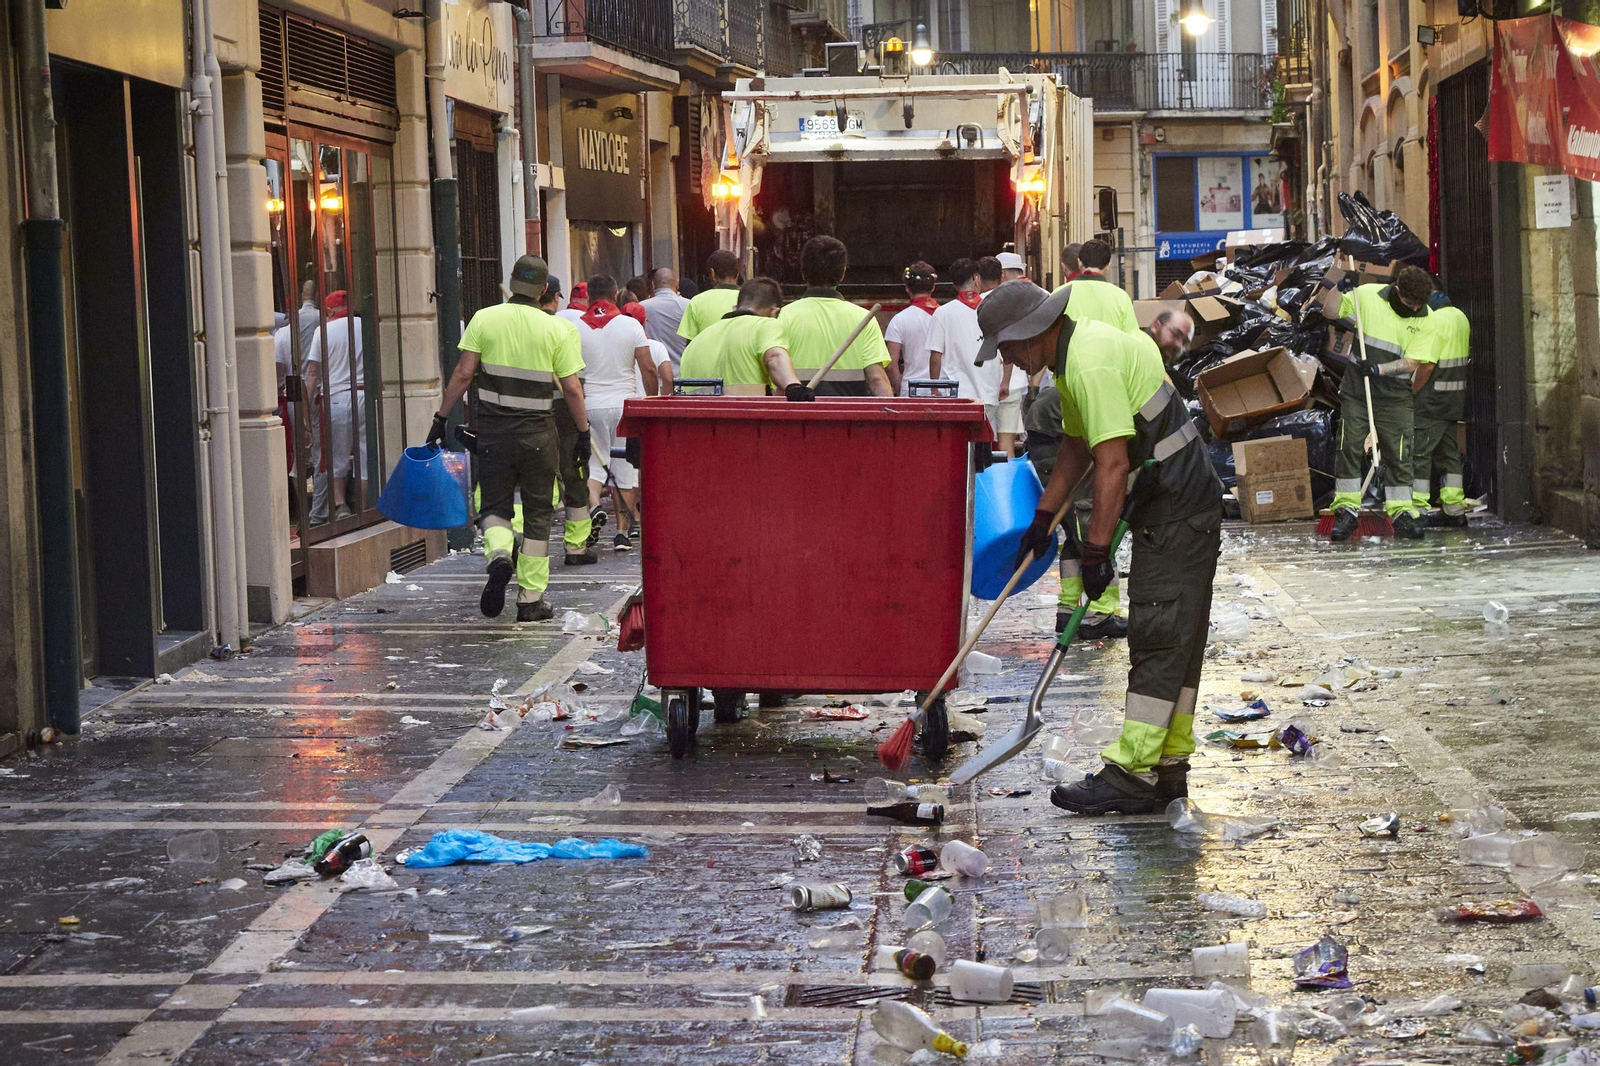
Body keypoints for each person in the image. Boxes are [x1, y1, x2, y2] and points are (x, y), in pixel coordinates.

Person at [979, 280, 1222, 815]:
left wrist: (1094, 552)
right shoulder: (1071, 360)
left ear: (1033, 331)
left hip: (1179, 508)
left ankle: (1132, 773)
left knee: (1160, 634)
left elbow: (1111, 463)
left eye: (1008, 347)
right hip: (1172, 503)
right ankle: (1166, 768)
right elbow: (1076, 445)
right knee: (1174, 640)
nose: (1007, 360)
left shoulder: (1087, 361)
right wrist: (1043, 517)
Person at [428, 255, 588, 622]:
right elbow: (572, 389)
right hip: (539, 434)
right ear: (544, 289)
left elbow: (463, 374)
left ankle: (499, 554)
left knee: (494, 507)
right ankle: (530, 600)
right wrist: (583, 431)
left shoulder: (484, 319)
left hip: (493, 433)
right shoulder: (557, 329)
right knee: (538, 515)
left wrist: (441, 417)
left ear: (512, 282)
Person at [1318, 264, 1434, 541]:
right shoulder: (1368, 296)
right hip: (1357, 392)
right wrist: (1339, 289)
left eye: (1419, 304)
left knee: (1400, 451)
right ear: (1397, 290)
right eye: (1410, 303)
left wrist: (1378, 370)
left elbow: (1412, 362)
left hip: (1395, 396)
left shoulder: (1427, 319)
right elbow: (1329, 312)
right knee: (1349, 445)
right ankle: (1347, 510)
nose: (1415, 309)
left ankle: (1401, 512)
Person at [577, 275, 658, 552]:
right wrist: (651, 401)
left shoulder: (576, 327)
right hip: (624, 405)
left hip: (590, 404)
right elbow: (648, 368)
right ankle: (622, 533)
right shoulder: (630, 325)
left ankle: (595, 507)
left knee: (594, 466)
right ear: (615, 295)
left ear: (589, 297)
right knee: (623, 469)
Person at [778, 236, 894, 397]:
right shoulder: (863, 318)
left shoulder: (782, 317)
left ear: (803, 272)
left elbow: (777, 380)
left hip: (799, 411)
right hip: (848, 412)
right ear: (842, 273)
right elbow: (877, 379)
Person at [538, 280, 602, 561]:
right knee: (574, 472)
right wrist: (583, 428)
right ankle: (576, 546)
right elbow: (574, 385)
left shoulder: (519, 327)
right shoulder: (566, 328)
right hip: (564, 410)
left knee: (533, 476)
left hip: (529, 411)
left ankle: (515, 543)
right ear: (554, 297)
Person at [679, 277, 813, 398]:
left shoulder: (697, 341)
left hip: (695, 417)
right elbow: (774, 356)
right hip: (747, 417)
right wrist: (793, 386)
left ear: (735, 308)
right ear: (774, 312)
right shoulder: (764, 325)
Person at [303, 290, 366, 525]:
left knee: (336, 457)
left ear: (329, 311)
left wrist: (305, 410)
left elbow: (312, 373)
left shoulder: (323, 331)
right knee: (365, 457)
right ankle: (365, 507)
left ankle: (341, 506)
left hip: (336, 398)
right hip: (364, 395)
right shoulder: (365, 326)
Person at [1412, 291, 1471, 527]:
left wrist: (1411, 390)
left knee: (1419, 454)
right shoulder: (1460, 317)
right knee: (1448, 454)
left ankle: (1417, 512)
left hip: (1431, 401)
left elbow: (1427, 366)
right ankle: (1454, 510)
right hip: (1453, 400)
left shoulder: (1433, 321)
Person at [927, 258, 997, 416]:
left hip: (955, 395)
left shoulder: (942, 313)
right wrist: (1005, 381)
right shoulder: (994, 308)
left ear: (954, 285)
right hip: (989, 391)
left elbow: (935, 356)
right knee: (987, 432)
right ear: (976, 278)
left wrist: (934, 387)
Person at [884, 261, 940, 395]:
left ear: (907, 288)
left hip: (911, 389)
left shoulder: (899, 320)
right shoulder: (947, 315)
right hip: (944, 388)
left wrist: (900, 388)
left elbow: (890, 364)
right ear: (933, 287)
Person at [1065, 239, 1139, 334]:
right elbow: (1132, 336)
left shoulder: (1061, 294)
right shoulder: (1121, 297)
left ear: (1079, 262)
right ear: (1108, 266)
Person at [678, 250, 742, 342]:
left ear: (712, 273)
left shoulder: (697, 302)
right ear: (737, 274)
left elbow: (690, 344)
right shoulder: (751, 300)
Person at [640, 267, 691, 370]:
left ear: (653, 285)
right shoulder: (688, 306)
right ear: (677, 285)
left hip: (652, 372)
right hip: (682, 372)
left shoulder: (642, 307)